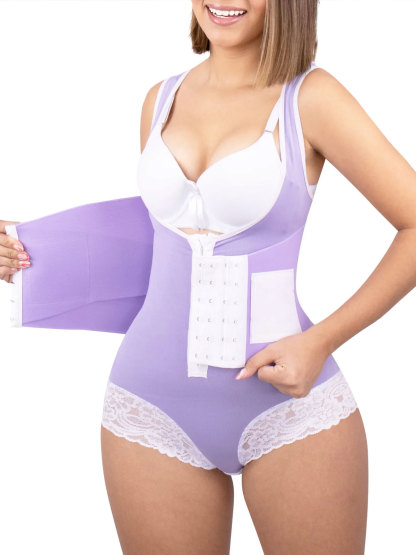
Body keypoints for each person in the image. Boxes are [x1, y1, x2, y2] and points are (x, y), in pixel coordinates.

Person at [2, 1, 416, 553]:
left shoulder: (310, 98)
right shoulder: (162, 98)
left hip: (287, 410)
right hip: (149, 403)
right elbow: (163, 246)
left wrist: (320, 341)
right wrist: (31, 250)